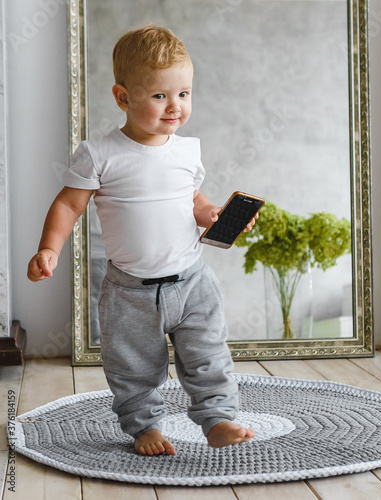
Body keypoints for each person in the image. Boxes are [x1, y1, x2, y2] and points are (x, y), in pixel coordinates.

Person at [27, 25, 256, 456]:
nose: (175, 107)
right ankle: (144, 426)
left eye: (184, 94)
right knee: (133, 366)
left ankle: (217, 418)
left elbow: (192, 198)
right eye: (160, 96)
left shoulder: (187, 150)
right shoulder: (100, 153)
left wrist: (212, 215)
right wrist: (49, 248)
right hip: (130, 290)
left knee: (208, 356)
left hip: (192, 282)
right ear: (122, 97)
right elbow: (68, 206)